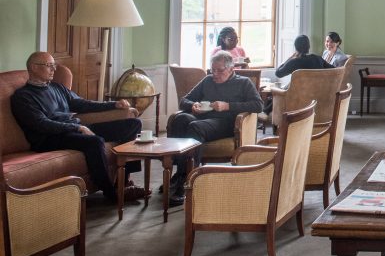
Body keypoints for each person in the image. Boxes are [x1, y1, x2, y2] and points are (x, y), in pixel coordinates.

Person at [11, 51, 146, 202]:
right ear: (34, 67)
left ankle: (123, 181)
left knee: (133, 125)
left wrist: (114, 104)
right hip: (49, 139)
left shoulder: (57, 88)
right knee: (95, 141)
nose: (53, 69)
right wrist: (76, 128)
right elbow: (42, 124)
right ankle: (111, 194)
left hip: (75, 129)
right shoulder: (22, 97)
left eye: (53, 65)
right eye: (49, 66)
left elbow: (82, 104)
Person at [166, 51, 263, 205]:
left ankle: (188, 180)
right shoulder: (208, 80)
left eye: (220, 70)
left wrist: (227, 106)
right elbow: (184, 100)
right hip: (203, 118)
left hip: (226, 122)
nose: (215, 74)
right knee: (180, 119)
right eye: (213, 70)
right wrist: (193, 105)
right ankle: (180, 172)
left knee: (194, 127)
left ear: (231, 69)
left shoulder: (243, 83)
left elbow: (258, 105)